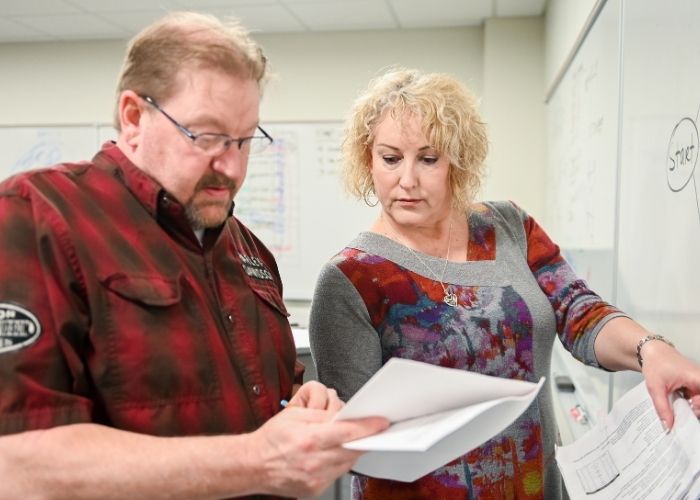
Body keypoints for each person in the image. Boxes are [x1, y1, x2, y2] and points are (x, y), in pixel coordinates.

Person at [0, 12, 388, 499]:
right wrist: (258, 460)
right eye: (206, 136)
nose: (231, 165)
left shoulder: (246, 248)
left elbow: (273, 401)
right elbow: (17, 464)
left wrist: (302, 411)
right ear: (134, 117)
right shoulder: (37, 218)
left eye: (245, 140)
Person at [308, 68, 700, 499]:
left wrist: (651, 350)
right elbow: (353, 443)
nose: (407, 180)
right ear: (368, 160)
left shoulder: (509, 225)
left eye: (428, 158)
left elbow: (579, 312)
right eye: (390, 158)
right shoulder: (352, 278)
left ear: (459, 159)